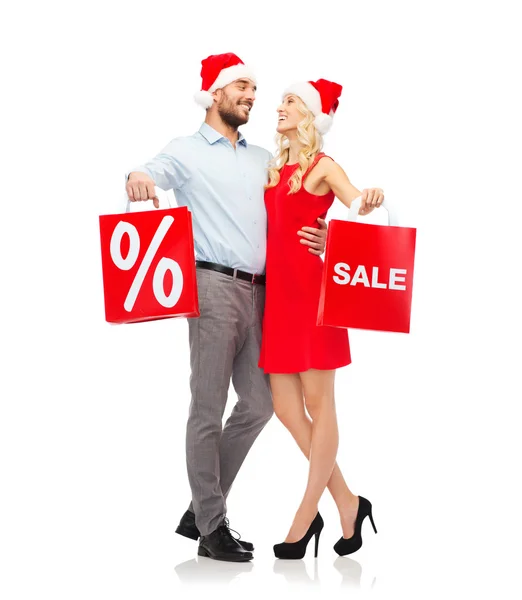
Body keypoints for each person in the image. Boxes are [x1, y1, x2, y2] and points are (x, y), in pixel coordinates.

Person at [125, 53, 328, 562]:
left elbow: (294, 203)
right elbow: (151, 169)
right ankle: (212, 527)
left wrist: (322, 234)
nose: (251, 96)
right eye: (241, 86)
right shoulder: (187, 151)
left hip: (264, 292)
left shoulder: (263, 157)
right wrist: (136, 176)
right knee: (208, 409)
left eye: (254, 89)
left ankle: (200, 506)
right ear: (214, 94)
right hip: (211, 288)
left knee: (260, 404)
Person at [258, 79, 382, 559]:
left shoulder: (321, 165)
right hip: (277, 301)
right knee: (288, 410)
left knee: (320, 402)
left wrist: (359, 208)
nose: (281, 106)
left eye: (292, 101)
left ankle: (305, 516)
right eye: (282, 100)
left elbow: (358, 204)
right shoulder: (273, 169)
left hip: (313, 296)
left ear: (310, 116)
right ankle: (348, 502)